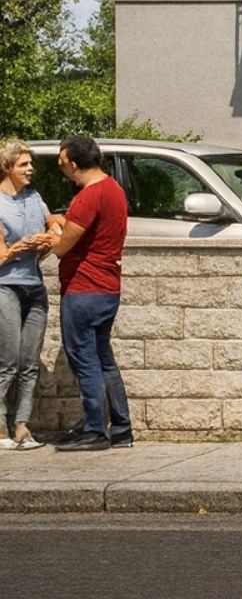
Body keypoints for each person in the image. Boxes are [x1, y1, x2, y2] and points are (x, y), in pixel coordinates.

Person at [46, 136, 132, 451]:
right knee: (102, 356)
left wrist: (53, 231)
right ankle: (121, 428)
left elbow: (62, 247)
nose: (61, 169)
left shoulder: (88, 196)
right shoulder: (114, 190)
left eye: (61, 163)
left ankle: (94, 429)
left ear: (73, 164)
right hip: (108, 287)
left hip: (84, 288)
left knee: (84, 358)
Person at [0, 142, 53, 449]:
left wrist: (46, 242)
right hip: (6, 286)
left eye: (30, 163)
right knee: (7, 360)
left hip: (34, 286)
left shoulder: (34, 198)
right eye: (23, 164)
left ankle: (22, 426)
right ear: (7, 167)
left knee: (29, 361)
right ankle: (1, 428)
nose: (30, 169)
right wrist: (14, 250)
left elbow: (52, 229)